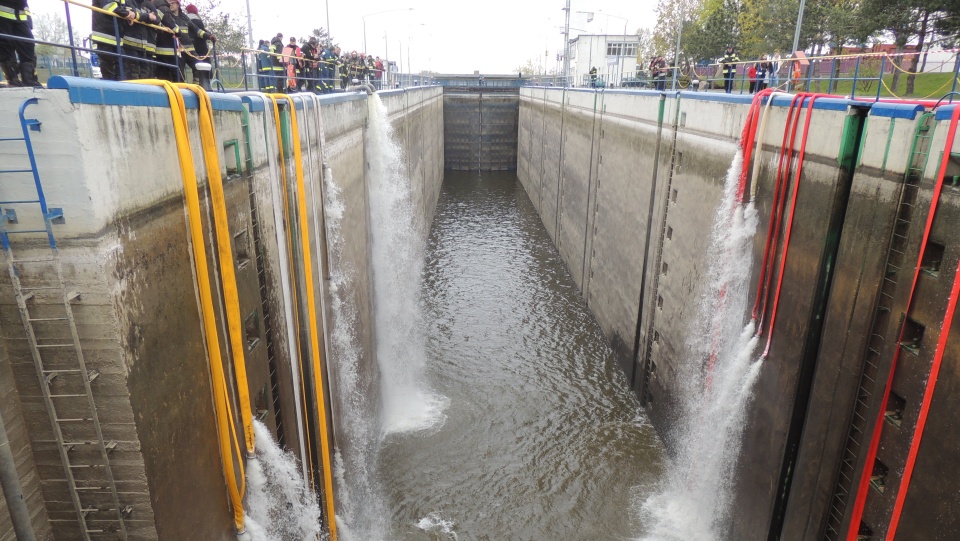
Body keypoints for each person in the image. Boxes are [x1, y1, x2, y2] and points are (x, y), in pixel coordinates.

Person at [92, 0, 136, 80]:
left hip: (117, 37)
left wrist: (131, 15)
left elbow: (127, 7)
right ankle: (109, 88)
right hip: (104, 36)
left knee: (121, 66)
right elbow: (109, 6)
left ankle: (119, 88)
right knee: (108, 66)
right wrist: (127, 14)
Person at [0, 0, 39, 86]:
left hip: (21, 17)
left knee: (28, 44)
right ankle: (13, 79)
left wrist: (28, 17)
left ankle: (29, 79)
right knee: (5, 46)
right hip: (2, 15)